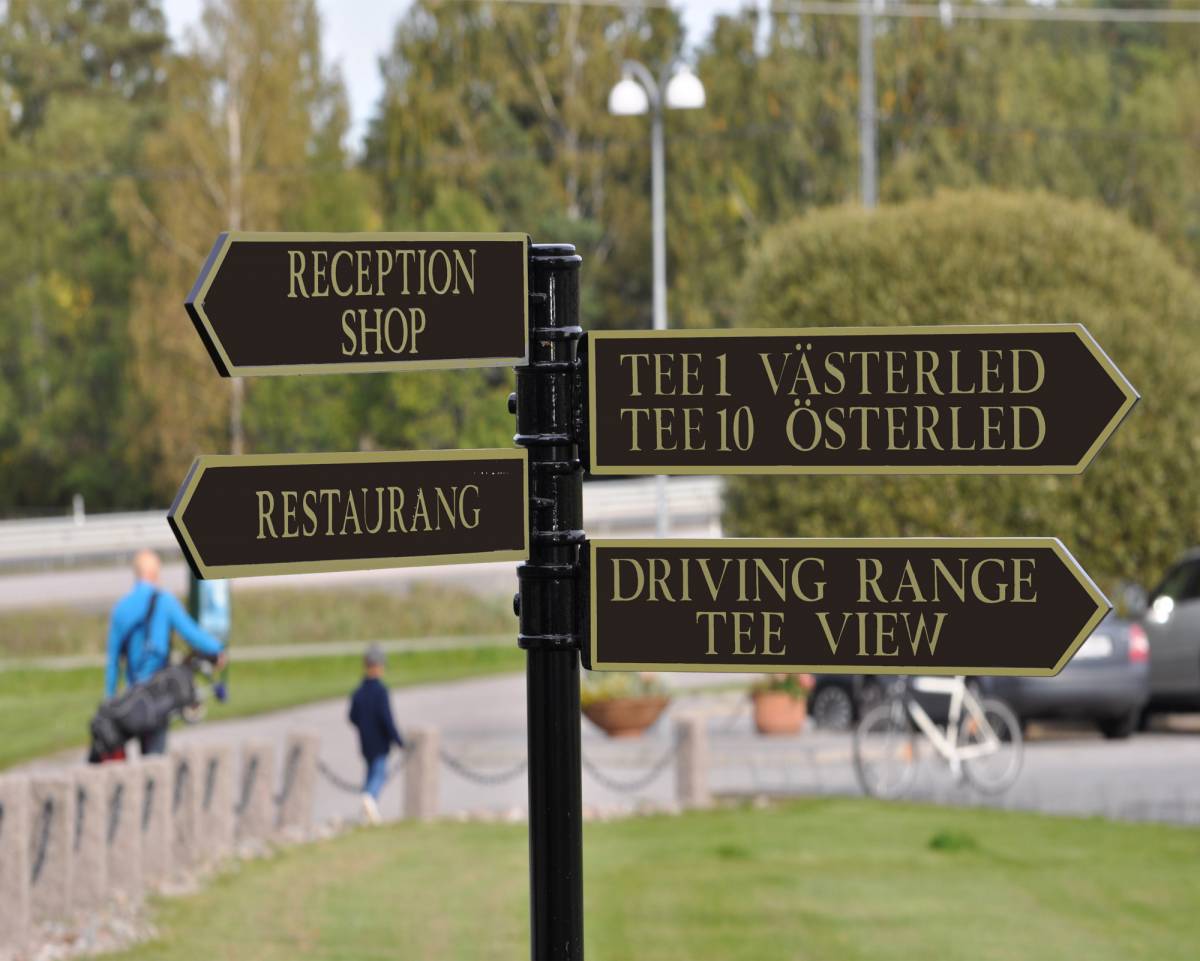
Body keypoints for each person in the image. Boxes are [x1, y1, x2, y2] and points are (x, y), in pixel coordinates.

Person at [105, 549, 226, 755]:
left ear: (137, 574)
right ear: (155, 573)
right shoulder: (164, 601)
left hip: (133, 694)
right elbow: (191, 633)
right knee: (155, 753)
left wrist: (111, 700)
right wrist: (217, 650)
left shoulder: (121, 608)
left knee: (136, 749)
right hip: (158, 691)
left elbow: (113, 662)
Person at [348, 644, 405, 824]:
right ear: (379, 666)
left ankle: (365, 814)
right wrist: (398, 740)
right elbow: (387, 719)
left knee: (370, 773)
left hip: (365, 741)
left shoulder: (359, 691)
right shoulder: (380, 691)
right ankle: (370, 798)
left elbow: (352, 716)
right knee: (379, 774)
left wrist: (363, 726)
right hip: (380, 741)